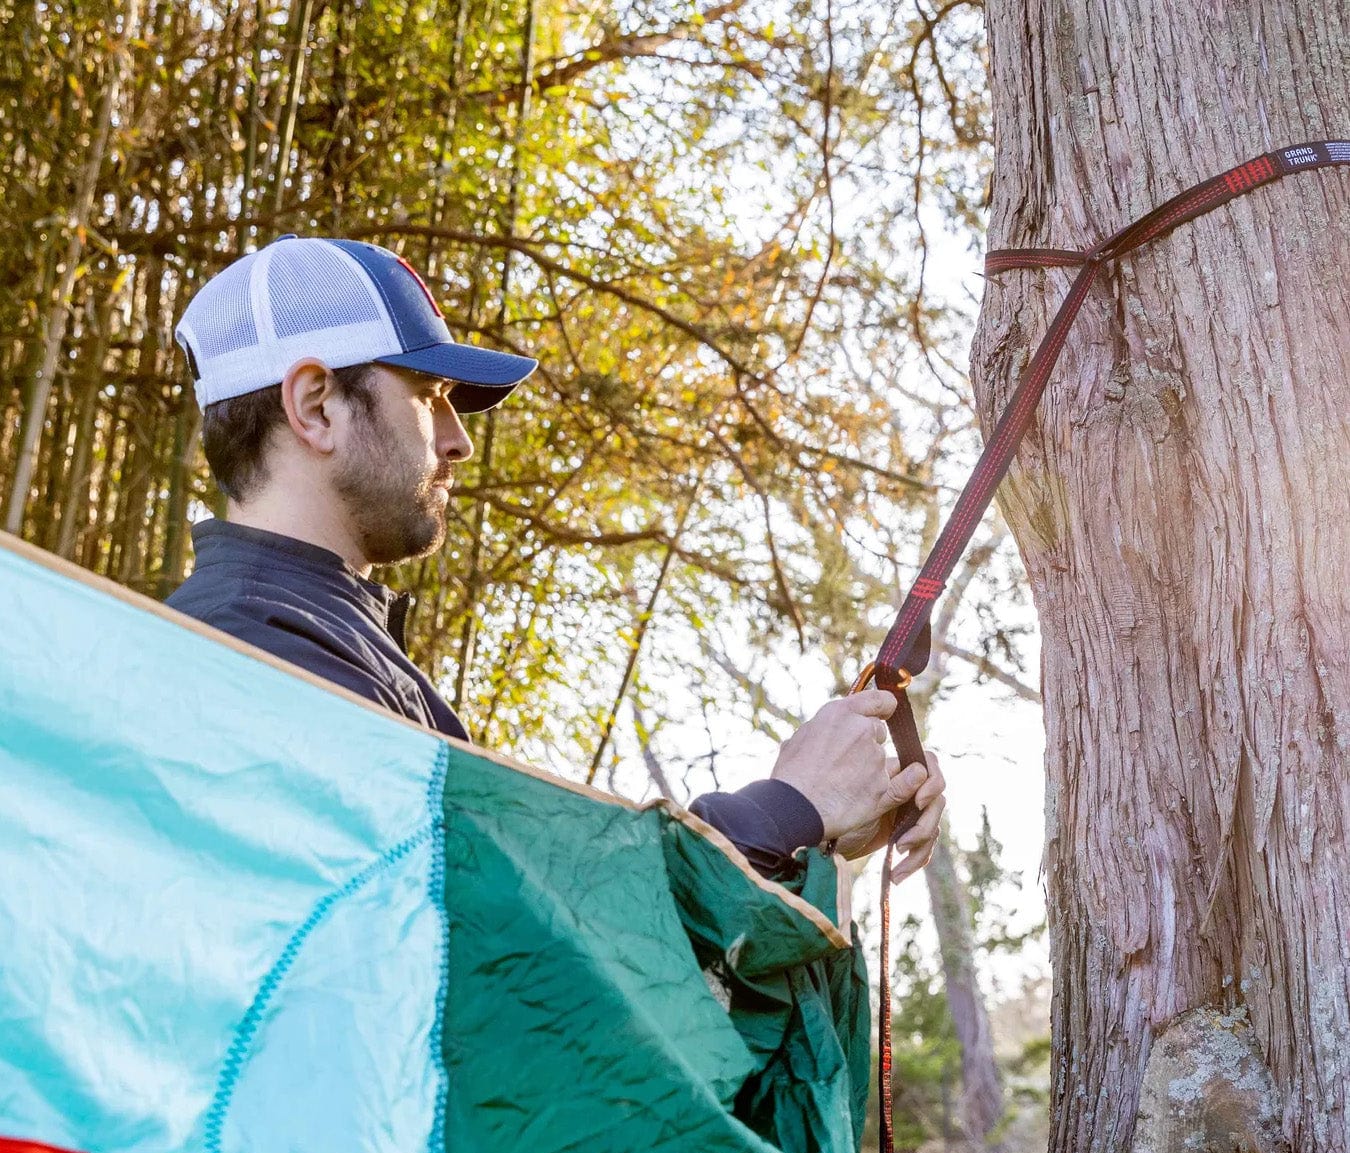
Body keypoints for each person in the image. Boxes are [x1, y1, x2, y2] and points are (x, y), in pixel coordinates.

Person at [167, 235, 945, 879]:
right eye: (429, 393)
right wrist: (786, 808)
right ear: (315, 406)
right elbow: (516, 960)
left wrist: (814, 830)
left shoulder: (313, 641)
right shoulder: (258, 658)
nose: (457, 440)